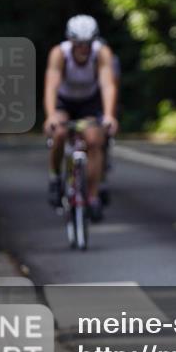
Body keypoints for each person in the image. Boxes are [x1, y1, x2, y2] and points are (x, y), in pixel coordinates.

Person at [43, 15, 118, 221]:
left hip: (89, 103)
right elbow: (51, 86)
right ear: (71, 41)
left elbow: (108, 85)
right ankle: (55, 177)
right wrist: (50, 116)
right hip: (64, 102)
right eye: (79, 44)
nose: (84, 48)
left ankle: (92, 196)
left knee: (94, 141)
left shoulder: (101, 53)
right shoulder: (59, 53)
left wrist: (109, 115)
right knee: (59, 133)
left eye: (88, 44)